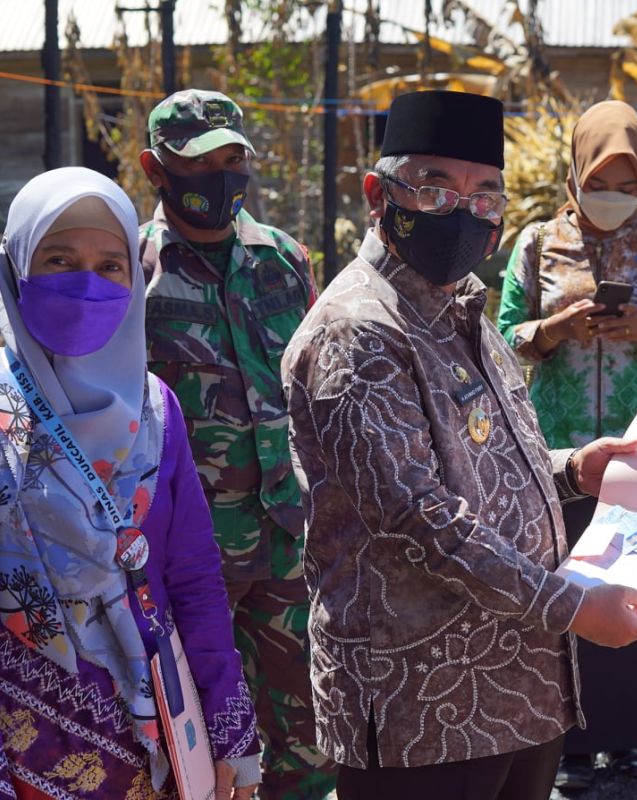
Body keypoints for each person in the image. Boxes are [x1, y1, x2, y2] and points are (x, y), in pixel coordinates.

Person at [280, 89, 637, 800]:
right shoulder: (359, 331)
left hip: (517, 689)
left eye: (485, 194)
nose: (463, 211)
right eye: (434, 187)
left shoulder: (460, 303)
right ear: (378, 193)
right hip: (420, 705)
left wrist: (572, 470)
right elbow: (418, 518)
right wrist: (574, 609)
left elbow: (485, 462)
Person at [0, 167, 259, 797]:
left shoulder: (155, 409)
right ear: (14, 272)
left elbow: (192, 574)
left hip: (149, 738)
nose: (86, 282)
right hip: (17, 741)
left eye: (110, 265)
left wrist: (229, 729)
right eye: (58, 259)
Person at [496, 99, 637, 788]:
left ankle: (630, 738)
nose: (612, 197)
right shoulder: (533, 244)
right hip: (555, 451)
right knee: (563, 587)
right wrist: (553, 329)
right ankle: (569, 739)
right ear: (574, 173)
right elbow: (500, 339)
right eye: (600, 180)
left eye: (627, 184)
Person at [137, 89, 333, 798]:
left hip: (288, 540)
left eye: (232, 160)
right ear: (155, 170)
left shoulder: (283, 260)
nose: (221, 178)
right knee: (199, 744)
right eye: (199, 163)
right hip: (192, 561)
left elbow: (314, 387)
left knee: (308, 735)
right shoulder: (134, 272)